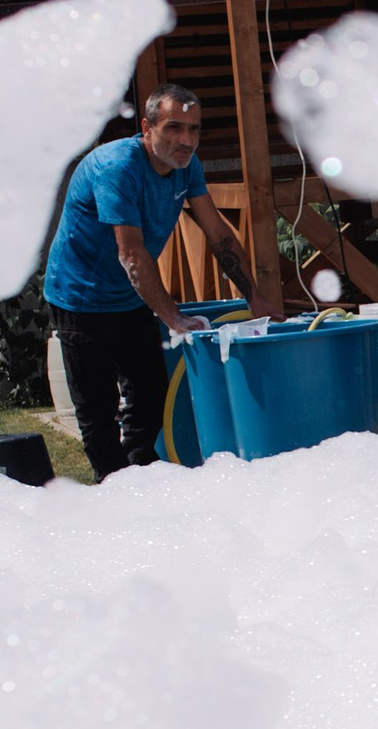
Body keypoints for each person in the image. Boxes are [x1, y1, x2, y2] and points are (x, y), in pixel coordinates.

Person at [42, 83, 274, 479]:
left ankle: (139, 476)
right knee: (97, 410)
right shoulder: (117, 168)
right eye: (174, 128)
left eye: (194, 129)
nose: (186, 140)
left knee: (149, 395)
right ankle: (113, 489)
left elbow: (218, 234)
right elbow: (131, 255)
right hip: (80, 299)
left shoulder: (187, 166)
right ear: (147, 128)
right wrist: (173, 317)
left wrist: (256, 299)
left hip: (130, 297)